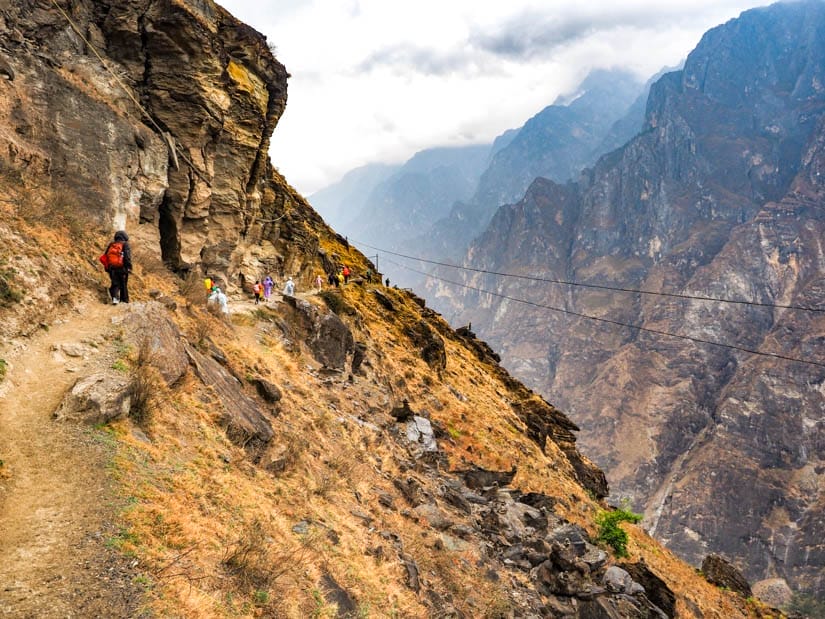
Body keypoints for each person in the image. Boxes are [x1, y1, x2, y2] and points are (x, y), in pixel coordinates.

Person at [102, 230, 132, 304]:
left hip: (112, 268)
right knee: (123, 284)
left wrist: (107, 267)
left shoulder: (112, 244)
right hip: (122, 268)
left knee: (115, 283)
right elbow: (127, 257)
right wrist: (129, 267)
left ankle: (115, 299)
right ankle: (124, 301)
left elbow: (106, 255)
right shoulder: (125, 244)